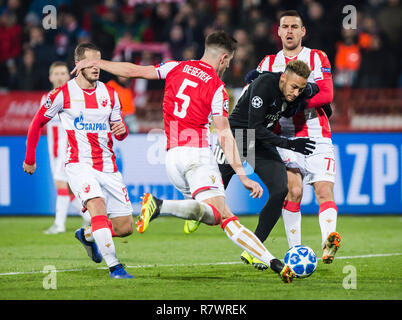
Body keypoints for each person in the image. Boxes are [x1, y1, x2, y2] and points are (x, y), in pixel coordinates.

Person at [72, 31, 296, 283]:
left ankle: (273, 262)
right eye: (228, 62)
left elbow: (134, 70)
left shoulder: (176, 66)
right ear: (223, 58)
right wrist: (243, 175)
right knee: (224, 217)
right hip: (197, 156)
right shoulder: (216, 87)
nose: (227, 67)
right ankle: (162, 206)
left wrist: (98, 63)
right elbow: (224, 133)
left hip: (172, 159)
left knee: (212, 214)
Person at [190, 60, 319, 271]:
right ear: (283, 77)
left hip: (262, 143)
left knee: (280, 190)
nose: (296, 93)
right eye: (294, 87)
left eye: (301, 89)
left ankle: (255, 249)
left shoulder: (300, 89)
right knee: (213, 188)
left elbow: (318, 89)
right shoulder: (264, 85)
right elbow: (255, 128)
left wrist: (316, 97)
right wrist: (289, 144)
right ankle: (196, 212)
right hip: (239, 136)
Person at [23, 43, 134, 279]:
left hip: (108, 165)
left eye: (99, 62)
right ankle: (115, 266)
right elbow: (36, 123)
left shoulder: (110, 93)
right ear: (78, 65)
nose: (97, 67)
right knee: (98, 209)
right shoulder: (63, 94)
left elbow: (120, 132)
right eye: (90, 63)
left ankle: (87, 235)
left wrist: (121, 129)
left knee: (125, 228)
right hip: (79, 164)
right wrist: (30, 158)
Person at [255, 10, 341, 265]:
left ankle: (328, 244)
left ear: (303, 31)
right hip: (285, 137)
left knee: (324, 191)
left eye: (295, 26)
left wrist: (295, 104)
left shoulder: (316, 57)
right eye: (285, 26)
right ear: (278, 31)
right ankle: (296, 252)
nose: (290, 31)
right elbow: (257, 97)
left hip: (316, 133)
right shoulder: (267, 63)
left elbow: (326, 94)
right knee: (293, 191)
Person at [41, 61, 91, 234]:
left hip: (68, 147)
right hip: (53, 149)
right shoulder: (47, 96)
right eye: (56, 73)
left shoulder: (72, 96)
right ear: (50, 77)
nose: (60, 76)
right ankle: (89, 216)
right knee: (68, 187)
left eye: (63, 73)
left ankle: (59, 224)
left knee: (61, 183)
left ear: (68, 75)